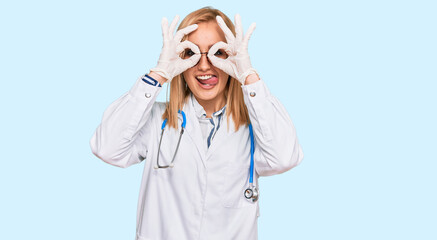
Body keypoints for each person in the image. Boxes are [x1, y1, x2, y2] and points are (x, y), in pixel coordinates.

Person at [90, 6, 303, 240]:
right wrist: (158, 74)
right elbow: (107, 148)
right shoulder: (156, 122)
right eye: (191, 53)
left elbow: (285, 157)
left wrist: (248, 76)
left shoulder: (255, 130)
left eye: (218, 53)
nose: (204, 65)